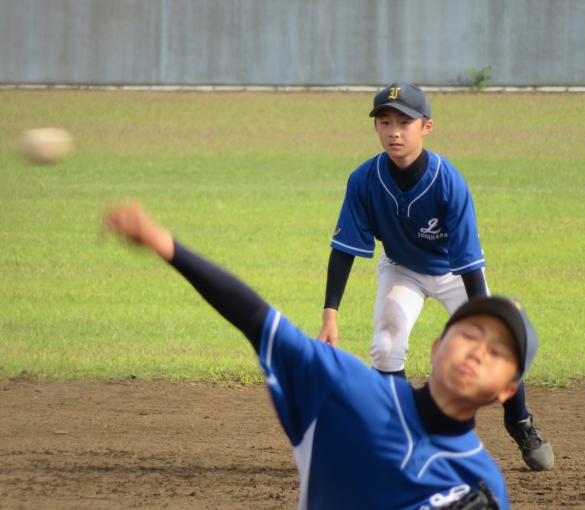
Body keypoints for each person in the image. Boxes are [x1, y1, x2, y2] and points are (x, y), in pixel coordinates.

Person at [106, 203, 540, 510]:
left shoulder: (484, 486)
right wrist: (165, 244)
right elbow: (258, 319)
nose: (478, 351)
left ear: (508, 389)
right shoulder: (343, 386)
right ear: (437, 347)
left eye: (498, 351)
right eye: (470, 334)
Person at [318, 83, 553, 471]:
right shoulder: (364, 179)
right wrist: (330, 313)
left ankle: (520, 422)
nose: (394, 131)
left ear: (426, 127)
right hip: (401, 268)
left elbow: (469, 264)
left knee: (499, 346)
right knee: (385, 345)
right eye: (385, 122)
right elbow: (344, 249)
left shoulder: (448, 182)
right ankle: (400, 436)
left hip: (454, 273)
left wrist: (484, 319)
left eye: (405, 122)